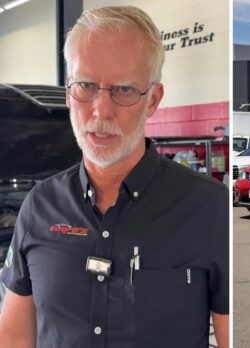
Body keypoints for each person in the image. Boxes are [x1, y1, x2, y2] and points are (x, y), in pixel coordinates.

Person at [0, 6, 229, 347]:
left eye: (123, 89)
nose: (101, 110)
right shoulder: (39, 206)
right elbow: (15, 336)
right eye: (86, 85)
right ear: (68, 91)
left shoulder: (210, 208)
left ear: (153, 99)